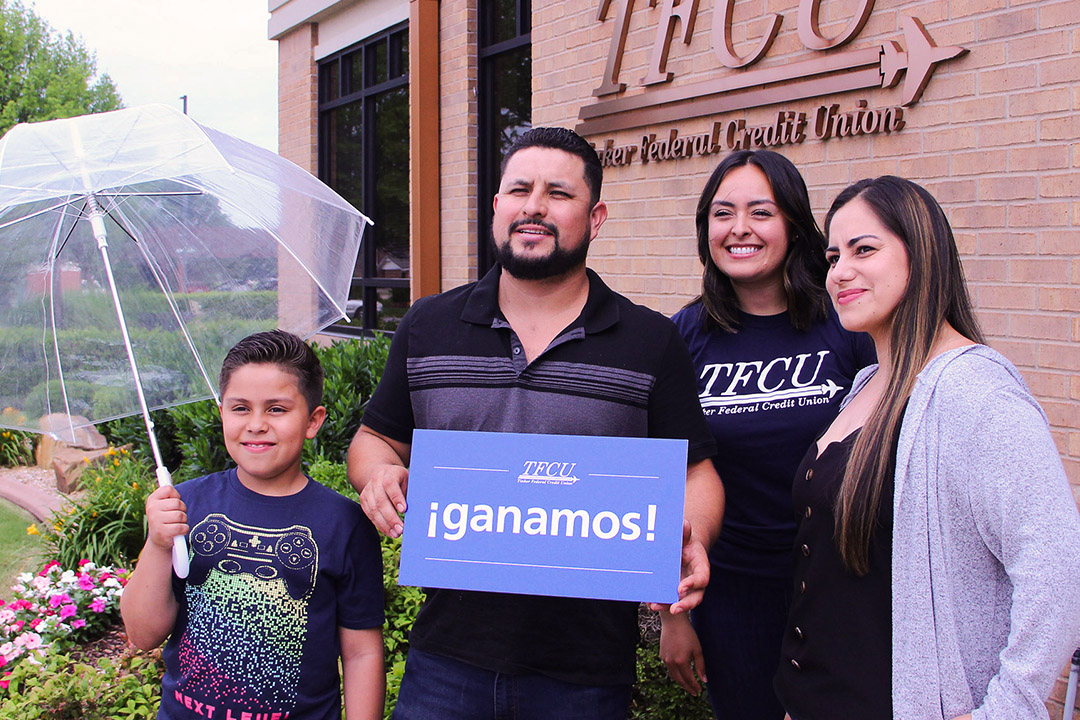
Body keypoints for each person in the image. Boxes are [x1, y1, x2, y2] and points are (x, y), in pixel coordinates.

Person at [347, 126, 724, 719]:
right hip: (446, 657)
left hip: (586, 669)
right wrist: (379, 475)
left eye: (558, 193)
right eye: (520, 190)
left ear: (595, 217)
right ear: (498, 207)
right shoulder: (428, 326)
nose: (534, 206)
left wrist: (689, 543)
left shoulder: (651, 341)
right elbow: (375, 440)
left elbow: (695, 472)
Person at [773, 176, 1080, 720]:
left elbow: (1057, 568)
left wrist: (1007, 709)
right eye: (833, 254)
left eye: (864, 249)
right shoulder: (865, 383)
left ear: (923, 253)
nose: (840, 270)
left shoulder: (974, 392)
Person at [662, 150, 875, 719]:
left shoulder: (846, 325)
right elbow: (666, 477)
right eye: (723, 212)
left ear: (794, 225)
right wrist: (674, 617)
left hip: (843, 582)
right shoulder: (682, 338)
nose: (739, 229)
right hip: (734, 592)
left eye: (761, 212)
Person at [121, 330, 386, 720]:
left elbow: (362, 652)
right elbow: (142, 635)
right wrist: (160, 546)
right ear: (222, 412)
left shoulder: (345, 524)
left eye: (276, 409)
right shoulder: (184, 504)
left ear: (313, 421)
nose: (256, 424)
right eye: (240, 408)